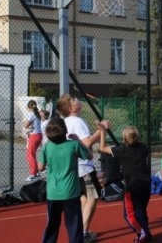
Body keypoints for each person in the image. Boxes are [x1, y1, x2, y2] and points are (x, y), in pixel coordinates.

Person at [38, 117, 92, 243]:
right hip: (70, 193)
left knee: (52, 225)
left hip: (53, 193)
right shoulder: (74, 145)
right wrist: (79, 140)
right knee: (74, 225)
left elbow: (40, 168)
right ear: (65, 130)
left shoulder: (47, 147)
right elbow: (89, 155)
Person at [56, 94, 101, 243]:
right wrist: (101, 131)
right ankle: (82, 232)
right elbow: (86, 143)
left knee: (83, 198)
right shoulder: (78, 121)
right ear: (71, 108)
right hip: (83, 167)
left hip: (72, 167)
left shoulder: (64, 122)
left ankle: (84, 230)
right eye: (73, 99)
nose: (77, 100)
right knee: (92, 198)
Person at [97, 122, 152, 243]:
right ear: (138, 137)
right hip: (146, 185)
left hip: (132, 187)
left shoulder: (122, 149)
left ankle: (143, 233)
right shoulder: (143, 147)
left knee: (129, 214)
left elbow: (102, 148)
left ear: (124, 138)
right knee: (141, 210)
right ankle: (146, 234)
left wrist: (102, 132)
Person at [23, 100, 43, 182]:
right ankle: (36, 173)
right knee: (32, 154)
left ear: (29, 107)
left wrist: (24, 123)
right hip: (39, 135)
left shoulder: (31, 114)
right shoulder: (37, 114)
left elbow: (26, 125)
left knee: (30, 155)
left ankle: (33, 174)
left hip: (34, 136)